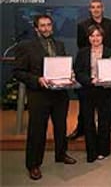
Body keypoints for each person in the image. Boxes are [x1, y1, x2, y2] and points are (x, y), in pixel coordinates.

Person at [14, 14, 76, 180]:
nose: (46, 28)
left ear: (52, 26)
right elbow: (18, 72)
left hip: (60, 94)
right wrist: (36, 80)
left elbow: (63, 66)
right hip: (39, 95)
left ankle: (61, 154)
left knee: (61, 127)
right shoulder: (26, 46)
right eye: (42, 25)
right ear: (36, 28)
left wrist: (69, 73)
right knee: (37, 131)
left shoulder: (60, 45)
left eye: (48, 25)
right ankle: (33, 165)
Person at [68, 0, 111, 140]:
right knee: (86, 111)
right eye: (93, 7)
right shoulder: (82, 25)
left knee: (105, 111)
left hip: (106, 74)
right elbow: (81, 47)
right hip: (88, 74)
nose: (96, 9)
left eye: (98, 7)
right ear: (90, 9)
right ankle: (81, 129)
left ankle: (106, 135)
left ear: (103, 8)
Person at [74, 25, 111, 163]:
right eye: (92, 36)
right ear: (89, 38)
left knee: (104, 121)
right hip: (87, 90)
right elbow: (78, 72)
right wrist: (90, 80)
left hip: (104, 91)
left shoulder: (110, 52)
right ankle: (91, 152)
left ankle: (103, 150)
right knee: (88, 121)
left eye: (98, 35)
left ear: (102, 37)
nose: (95, 38)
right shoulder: (82, 52)